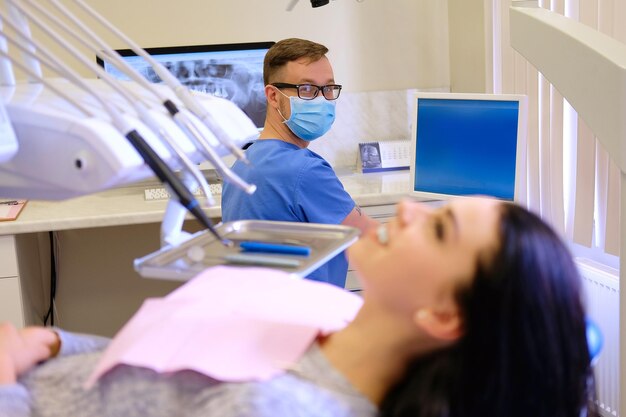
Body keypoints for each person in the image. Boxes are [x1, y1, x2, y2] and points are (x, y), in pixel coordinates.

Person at [0, 198, 597, 417]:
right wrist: (51, 344)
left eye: (439, 229)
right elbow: (161, 364)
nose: (408, 209)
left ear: (443, 317)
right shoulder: (328, 314)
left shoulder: (279, 406)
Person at [221, 38, 379, 288]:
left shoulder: (240, 165)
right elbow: (374, 240)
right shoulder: (304, 171)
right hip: (306, 317)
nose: (322, 100)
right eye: (306, 89)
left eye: (328, 89)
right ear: (273, 96)